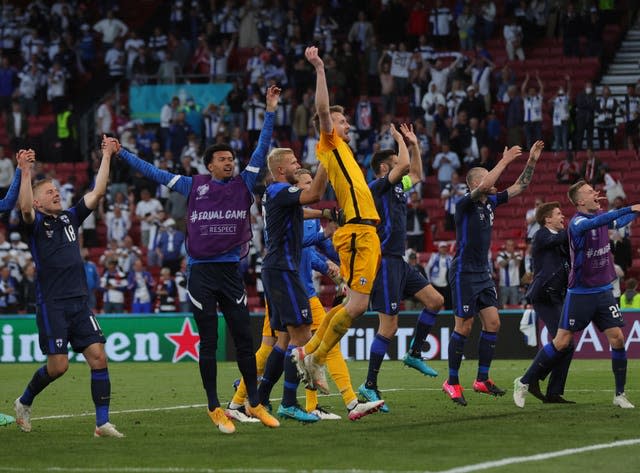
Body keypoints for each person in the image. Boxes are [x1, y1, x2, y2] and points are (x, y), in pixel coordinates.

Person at [114, 87, 282, 434]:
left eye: (230, 159)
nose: (229, 162)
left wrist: (269, 111)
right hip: (200, 274)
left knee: (244, 340)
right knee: (208, 340)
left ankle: (253, 401)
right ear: (209, 166)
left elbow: (262, 148)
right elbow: (154, 173)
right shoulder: (193, 185)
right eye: (222, 159)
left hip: (230, 272)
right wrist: (122, 153)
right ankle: (214, 407)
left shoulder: (245, 182)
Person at [228, 168, 383, 423]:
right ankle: (339, 402)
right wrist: (325, 244)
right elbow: (301, 243)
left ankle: (249, 400)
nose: (312, 188)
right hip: (289, 285)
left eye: (312, 182)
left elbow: (319, 247)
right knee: (304, 346)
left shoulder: (306, 214)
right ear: (296, 186)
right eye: (307, 183)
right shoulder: (287, 208)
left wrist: (343, 266)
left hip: (293, 286)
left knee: (286, 347)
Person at [13, 141, 125, 437]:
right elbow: (24, 207)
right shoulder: (35, 224)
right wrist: (26, 171)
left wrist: (105, 155)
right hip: (53, 304)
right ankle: (24, 401)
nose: (56, 193)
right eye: (49, 192)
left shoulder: (70, 218)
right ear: (38, 202)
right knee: (59, 366)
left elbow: (98, 192)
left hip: (79, 303)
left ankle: (102, 423)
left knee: (99, 356)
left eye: (56, 190)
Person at [292, 47, 382, 395]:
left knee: (350, 304)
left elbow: (315, 193)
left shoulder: (340, 155)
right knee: (357, 306)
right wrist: (319, 69)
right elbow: (321, 111)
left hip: (362, 230)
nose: (347, 125)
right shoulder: (329, 143)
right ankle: (314, 355)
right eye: (343, 121)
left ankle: (311, 353)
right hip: (359, 230)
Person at [514, 180, 638, 409]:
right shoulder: (577, 223)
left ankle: (619, 394)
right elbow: (605, 219)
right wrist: (630, 207)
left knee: (618, 338)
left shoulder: (599, 216)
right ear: (580, 201)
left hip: (603, 291)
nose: (596, 193)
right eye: (590, 192)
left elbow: (616, 221)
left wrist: (632, 214)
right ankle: (523, 381)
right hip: (580, 292)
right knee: (562, 342)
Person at [443, 140, 544, 406]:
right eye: (487, 180)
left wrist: (531, 160)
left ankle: (482, 379)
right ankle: (452, 381)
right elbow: (488, 184)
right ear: (475, 184)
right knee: (463, 326)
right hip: (464, 271)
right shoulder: (464, 204)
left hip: (482, 272)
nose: (495, 184)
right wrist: (506, 160)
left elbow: (521, 186)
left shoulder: (490, 203)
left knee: (493, 323)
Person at [358, 123, 445, 411]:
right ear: (385, 168)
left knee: (435, 301)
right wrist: (398, 140)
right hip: (384, 263)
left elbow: (417, 173)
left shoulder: (397, 188)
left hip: (400, 260)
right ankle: (369, 385)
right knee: (389, 326)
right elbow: (407, 165)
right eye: (396, 164)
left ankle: (414, 352)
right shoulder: (379, 187)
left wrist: (415, 144)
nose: (403, 168)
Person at [257, 147, 330, 422]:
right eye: (293, 162)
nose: (297, 165)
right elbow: (314, 196)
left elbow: (306, 210)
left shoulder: (279, 196)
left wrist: (327, 216)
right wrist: (327, 159)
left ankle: (259, 398)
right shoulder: (278, 190)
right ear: (279, 170)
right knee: (302, 337)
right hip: (284, 271)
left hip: (277, 270)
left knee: (283, 340)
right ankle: (288, 401)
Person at [523, 201, 574, 403]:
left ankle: (552, 391)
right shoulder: (541, 235)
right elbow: (565, 236)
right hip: (544, 295)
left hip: (557, 295)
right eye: (559, 214)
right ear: (548, 219)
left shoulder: (559, 239)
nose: (563, 217)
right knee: (564, 342)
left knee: (567, 344)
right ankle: (532, 379)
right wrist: (578, 227)